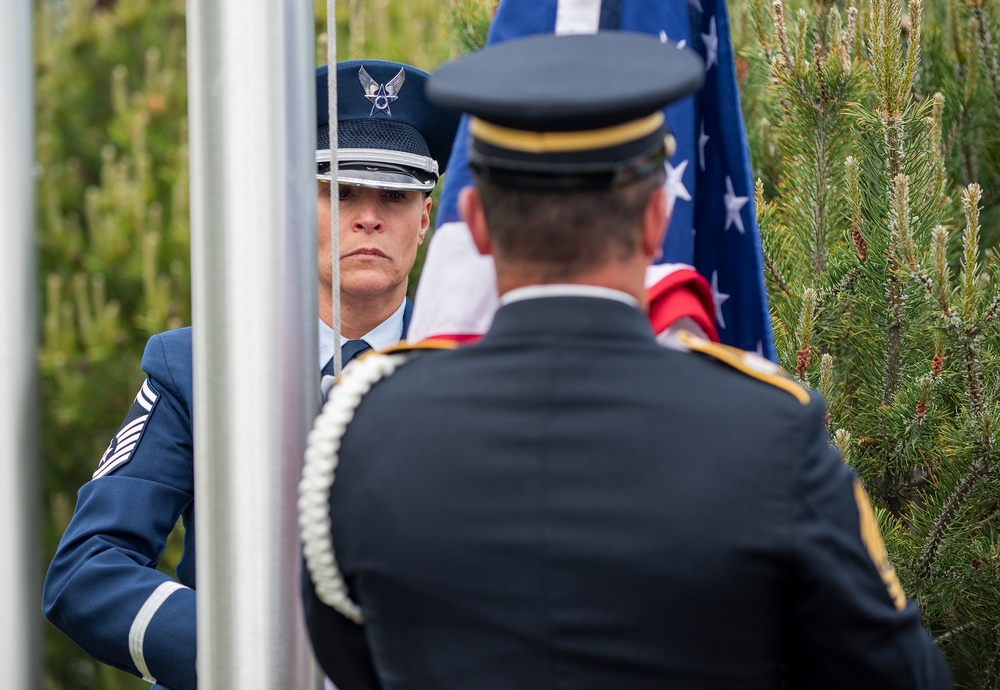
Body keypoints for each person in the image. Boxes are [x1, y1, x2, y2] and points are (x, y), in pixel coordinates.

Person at [299, 32, 954, 690]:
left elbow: (351, 660)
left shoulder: (364, 427)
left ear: (472, 224)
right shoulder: (767, 430)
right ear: (655, 219)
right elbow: (897, 674)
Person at [43, 60, 459, 690]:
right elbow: (87, 570)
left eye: (395, 196)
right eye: (341, 192)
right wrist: (247, 656)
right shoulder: (199, 368)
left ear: (424, 220)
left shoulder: (465, 373)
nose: (368, 217)